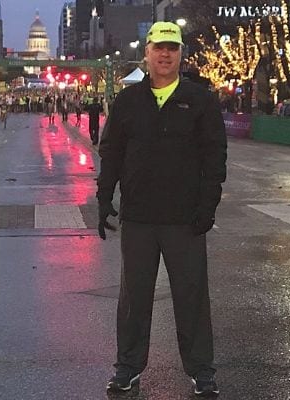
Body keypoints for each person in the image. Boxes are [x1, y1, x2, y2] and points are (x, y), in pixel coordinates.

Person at [97, 21, 227, 397]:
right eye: (159, 48)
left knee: (191, 296)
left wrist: (208, 204)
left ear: (180, 55)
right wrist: (104, 197)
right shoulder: (128, 101)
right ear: (148, 53)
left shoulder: (199, 100)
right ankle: (128, 367)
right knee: (134, 298)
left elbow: (214, 155)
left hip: (185, 219)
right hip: (138, 216)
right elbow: (112, 152)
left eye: (172, 48)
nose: (165, 54)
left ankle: (201, 370)